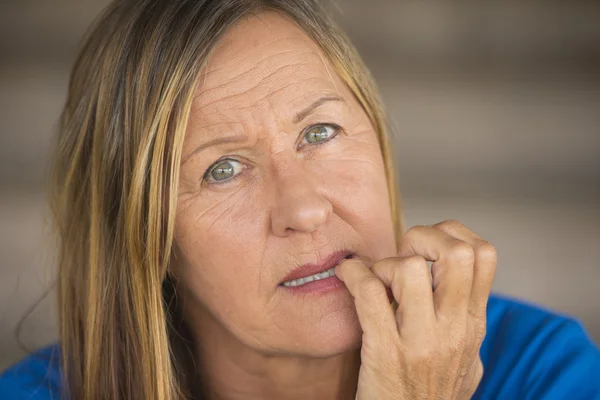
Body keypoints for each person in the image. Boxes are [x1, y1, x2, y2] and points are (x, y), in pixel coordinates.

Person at [1, 1, 599, 399]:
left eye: (320, 133)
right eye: (223, 169)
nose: (306, 209)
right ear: (146, 237)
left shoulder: (541, 370)